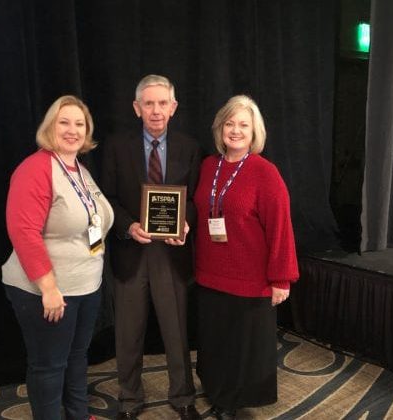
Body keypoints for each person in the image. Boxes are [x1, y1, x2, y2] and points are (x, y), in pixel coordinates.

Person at [1, 95, 114, 420]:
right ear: (50, 126)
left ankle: (78, 415)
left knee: (77, 357)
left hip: (85, 286)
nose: (72, 130)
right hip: (46, 291)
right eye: (64, 122)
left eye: (79, 124)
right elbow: (23, 232)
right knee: (49, 366)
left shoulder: (77, 168)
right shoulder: (35, 168)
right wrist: (49, 288)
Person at [100, 75, 202, 420]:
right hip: (131, 250)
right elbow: (107, 198)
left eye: (162, 103)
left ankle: (184, 397)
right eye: (148, 103)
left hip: (171, 254)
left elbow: (195, 198)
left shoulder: (190, 146)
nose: (155, 110)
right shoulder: (116, 146)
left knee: (176, 331)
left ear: (173, 108)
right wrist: (128, 225)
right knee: (128, 333)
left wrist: (185, 222)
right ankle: (129, 399)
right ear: (136, 108)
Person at [193, 95, 299, 419]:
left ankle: (233, 404)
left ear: (255, 132)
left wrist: (281, 278)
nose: (235, 131)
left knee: (242, 350)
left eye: (243, 125)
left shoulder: (265, 172)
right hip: (209, 275)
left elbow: (280, 228)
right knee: (215, 343)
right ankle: (217, 393)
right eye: (230, 123)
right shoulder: (209, 165)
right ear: (220, 127)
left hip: (249, 280)